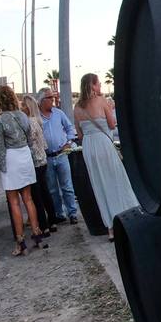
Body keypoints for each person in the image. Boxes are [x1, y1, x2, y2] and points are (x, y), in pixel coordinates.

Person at [73, 73, 141, 239]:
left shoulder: (77, 108)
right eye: (98, 83)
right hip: (103, 143)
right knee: (117, 180)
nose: (101, 86)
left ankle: (110, 228)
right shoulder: (102, 101)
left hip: (89, 147)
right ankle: (129, 216)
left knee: (99, 186)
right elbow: (112, 124)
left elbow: (79, 134)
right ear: (93, 85)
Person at [0, 85, 49, 256]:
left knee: (14, 202)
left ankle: (20, 242)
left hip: (11, 158)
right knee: (28, 198)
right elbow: (30, 140)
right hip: (25, 156)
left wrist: (1, 168)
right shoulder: (23, 116)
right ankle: (37, 234)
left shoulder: (0, 121)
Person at [37, 87, 80, 224]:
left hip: (62, 155)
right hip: (47, 158)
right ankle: (58, 213)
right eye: (50, 98)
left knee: (67, 186)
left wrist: (69, 141)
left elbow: (70, 128)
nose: (53, 100)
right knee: (53, 189)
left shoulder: (58, 113)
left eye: (53, 97)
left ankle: (72, 213)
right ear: (42, 101)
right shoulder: (37, 117)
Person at [20, 95, 58, 235]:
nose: (21, 108)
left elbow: (28, 144)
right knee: (45, 191)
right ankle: (52, 220)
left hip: (34, 161)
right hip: (42, 159)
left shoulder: (27, 123)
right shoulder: (38, 121)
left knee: (36, 195)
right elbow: (43, 143)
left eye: (23, 105)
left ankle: (43, 225)